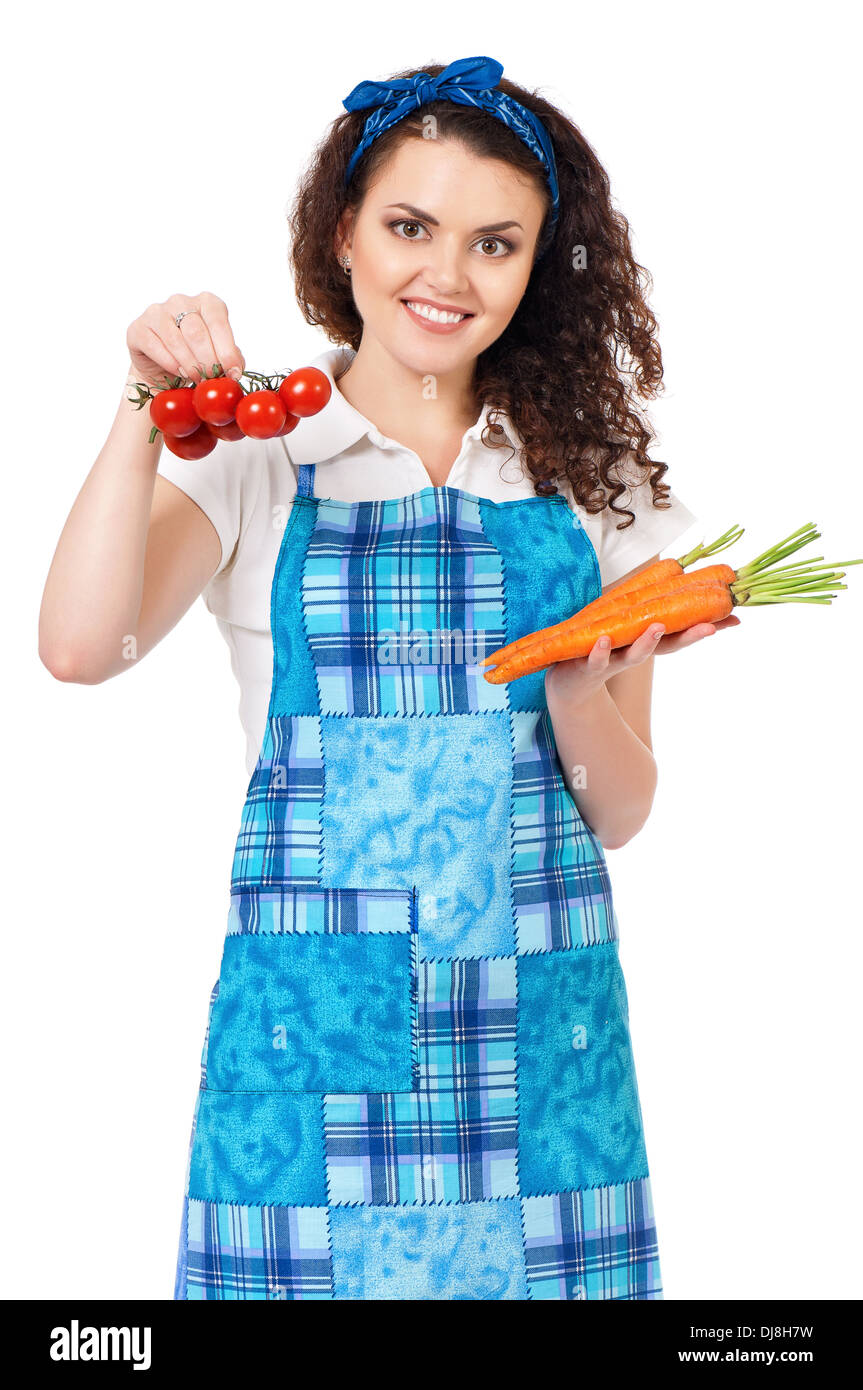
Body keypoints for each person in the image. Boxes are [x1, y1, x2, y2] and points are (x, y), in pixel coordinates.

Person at [39, 55, 739, 1301]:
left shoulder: (592, 489)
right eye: (410, 226)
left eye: (495, 243)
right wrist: (145, 413)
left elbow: (621, 813)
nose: (446, 275)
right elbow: (82, 648)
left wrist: (579, 683)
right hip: (312, 1046)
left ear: (535, 268)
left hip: (543, 1053)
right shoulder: (258, 456)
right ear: (342, 234)